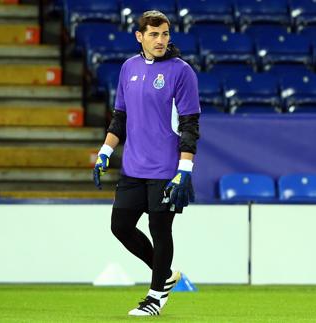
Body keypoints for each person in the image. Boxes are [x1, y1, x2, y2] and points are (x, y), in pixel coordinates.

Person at [92, 10, 201, 316]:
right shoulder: (128, 68)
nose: (160, 40)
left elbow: (190, 125)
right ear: (139, 37)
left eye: (165, 34)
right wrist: (105, 151)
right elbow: (120, 118)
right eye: (153, 34)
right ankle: (165, 275)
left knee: (159, 228)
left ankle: (155, 298)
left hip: (166, 168)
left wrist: (185, 169)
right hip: (133, 166)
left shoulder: (182, 72)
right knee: (121, 226)